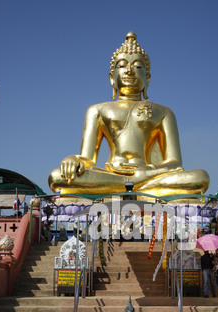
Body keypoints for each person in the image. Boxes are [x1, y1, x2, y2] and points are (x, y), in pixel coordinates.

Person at [48, 31, 209, 198]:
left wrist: (147, 171)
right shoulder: (97, 110)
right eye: (122, 65)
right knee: (57, 177)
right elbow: (87, 159)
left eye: (138, 66)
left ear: (147, 78)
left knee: (200, 177)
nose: (130, 71)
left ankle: (130, 185)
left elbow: (174, 162)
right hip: (112, 173)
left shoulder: (164, 112)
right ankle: (134, 186)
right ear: (112, 78)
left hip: (147, 173)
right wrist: (74, 159)